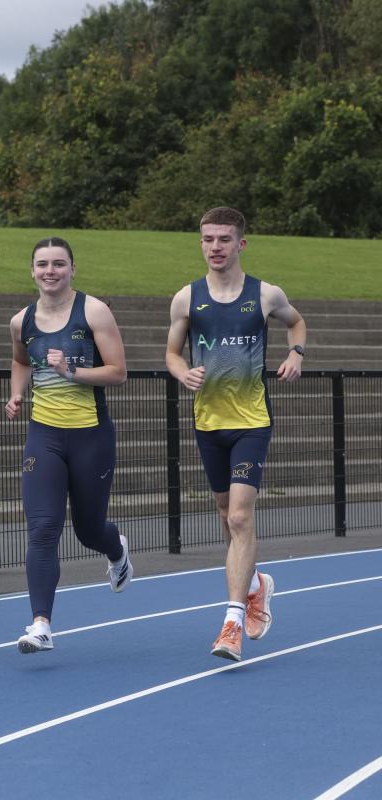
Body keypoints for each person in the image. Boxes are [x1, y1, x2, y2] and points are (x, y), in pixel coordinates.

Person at [165, 207, 306, 662]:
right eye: (208, 239)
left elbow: (296, 322)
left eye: (224, 239)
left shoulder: (264, 295)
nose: (215, 247)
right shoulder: (186, 298)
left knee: (241, 518)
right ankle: (258, 581)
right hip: (208, 423)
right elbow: (171, 351)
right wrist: (182, 370)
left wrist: (296, 353)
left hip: (251, 421)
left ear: (240, 244)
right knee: (227, 517)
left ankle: (232, 623)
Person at [5, 237, 132, 654]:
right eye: (42, 264)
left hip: (90, 434)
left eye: (59, 264)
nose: (50, 271)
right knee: (43, 529)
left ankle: (116, 552)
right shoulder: (21, 320)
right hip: (44, 435)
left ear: (72, 269)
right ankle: (41, 624)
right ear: (32, 271)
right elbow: (22, 361)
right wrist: (17, 394)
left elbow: (118, 372)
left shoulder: (93, 311)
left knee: (88, 529)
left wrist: (72, 369)